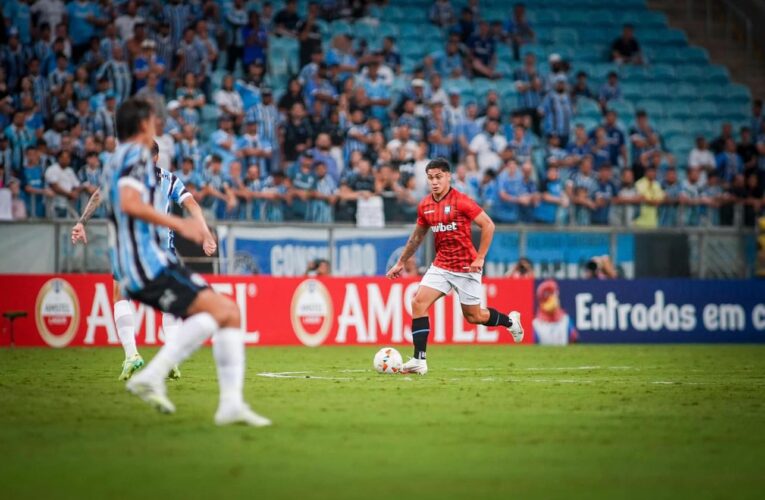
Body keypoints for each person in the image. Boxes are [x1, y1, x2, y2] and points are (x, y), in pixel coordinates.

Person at [99, 99, 268, 426]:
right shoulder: (136, 157)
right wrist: (180, 225)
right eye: (152, 120)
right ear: (142, 125)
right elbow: (131, 203)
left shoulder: (115, 161)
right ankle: (160, 378)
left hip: (135, 261)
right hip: (146, 263)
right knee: (226, 312)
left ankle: (199, 392)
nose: (156, 125)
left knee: (224, 312)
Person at [72, 140, 216, 381]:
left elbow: (98, 195)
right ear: (157, 157)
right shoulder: (168, 179)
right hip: (162, 250)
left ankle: (131, 356)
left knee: (121, 295)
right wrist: (206, 234)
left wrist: (81, 222)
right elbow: (192, 205)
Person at [385, 158, 524, 375]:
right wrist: (401, 262)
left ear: (448, 177)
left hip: (466, 267)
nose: (434, 182)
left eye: (439, 177)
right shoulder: (425, 205)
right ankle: (418, 360)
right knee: (418, 302)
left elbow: (488, 225)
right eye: (430, 178)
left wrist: (480, 258)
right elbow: (417, 237)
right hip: (441, 265)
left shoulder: (462, 201)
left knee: (474, 316)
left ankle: (510, 321)